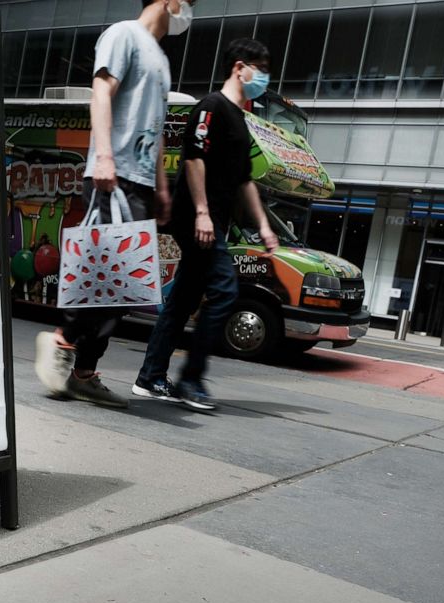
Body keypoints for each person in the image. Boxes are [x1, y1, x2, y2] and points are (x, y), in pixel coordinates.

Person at [34, 0, 194, 408]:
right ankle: (62, 341)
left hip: (140, 182)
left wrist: (161, 187)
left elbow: (156, 131)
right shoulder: (124, 35)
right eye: (188, 4)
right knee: (101, 274)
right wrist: (103, 155)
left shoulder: (160, 57)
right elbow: (101, 92)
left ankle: (84, 373)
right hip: (112, 174)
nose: (188, 12)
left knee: (124, 286)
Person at [132, 38, 280, 411]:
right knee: (225, 292)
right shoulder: (211, 107)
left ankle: (150, 377)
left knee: (182, 300)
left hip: (214, 222)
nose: (263, 78)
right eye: (260, 70)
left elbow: (245, 181)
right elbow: (194, 160)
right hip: (196, 219)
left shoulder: (241, 120)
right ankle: (190, 380)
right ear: (239, 68)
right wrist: (200, 211)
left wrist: (263, 226)